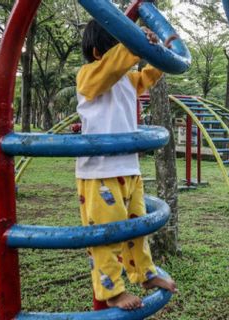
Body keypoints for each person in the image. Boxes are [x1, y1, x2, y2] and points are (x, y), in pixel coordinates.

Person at [76, 20, 179, 310]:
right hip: (100, 173)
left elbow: (147, 76)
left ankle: (144, 274)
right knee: (107, 237)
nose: (126, 55)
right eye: (119, 45)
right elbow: (111, 68)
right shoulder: (87, 76)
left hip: (129, 169)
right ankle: (112, 291)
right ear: (99, 53)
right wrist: (134, 44)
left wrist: (161, 52)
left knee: (136, 228)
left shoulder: (125, 80)